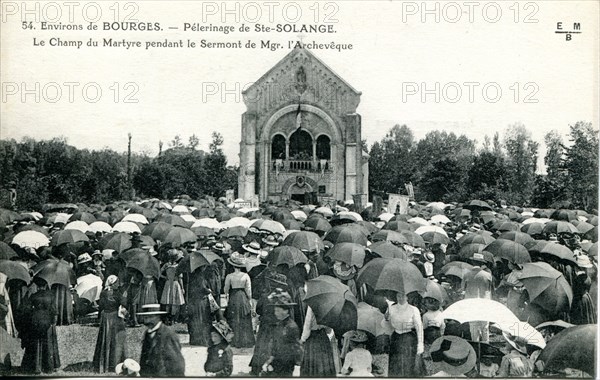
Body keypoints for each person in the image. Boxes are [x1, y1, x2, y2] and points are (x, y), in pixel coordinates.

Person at [19, 277, 61, 374]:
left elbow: (27, 310)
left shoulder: (33, 296)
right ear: (46, 285)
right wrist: (53, 322)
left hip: (36, 321)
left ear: (37, 286)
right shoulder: (51, 296)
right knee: (48, 344)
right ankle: (49, 366)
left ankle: (36, 366)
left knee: (35, 344)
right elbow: (54, 311)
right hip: (47, 322)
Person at [261, 288, 303, 377]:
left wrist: (296, 364)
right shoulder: (279, 324)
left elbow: (295, 347)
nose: (276, 313)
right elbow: (275, 344)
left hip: (286, 363)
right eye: (275, 311)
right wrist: (269, 361)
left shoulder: (292, 326)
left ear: (286, 311)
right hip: (276, 362)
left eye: (278, 311)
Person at [382, 291, 424, 377]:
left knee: (407, 363)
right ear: (396, 297)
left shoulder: (413, 309)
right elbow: (386, 326)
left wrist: (420, 344)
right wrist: (386, 319)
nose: (401, 298)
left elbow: (419, 327)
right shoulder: (392, 308)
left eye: (403, 296)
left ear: (407, 297)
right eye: (398, 296)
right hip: (396, 337)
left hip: (408, 338)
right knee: (395, 363)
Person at [138, 303, 185, 377]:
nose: (146, 320)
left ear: (157, 317)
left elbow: (177, 364)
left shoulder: (168, 334)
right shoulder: (147, 334)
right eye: (145, 317)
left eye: (149, 317)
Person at [93, 275, 127, 373]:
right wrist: (124, 296)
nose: (118, 284)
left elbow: (101, 306)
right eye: (117, 283)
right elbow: (123, 304)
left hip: (106, 318)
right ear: (113, 283)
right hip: (115, 318)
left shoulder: (104, 292)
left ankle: (104, 363)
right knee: (116, 340)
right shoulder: (118, 293)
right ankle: (115, 362)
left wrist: (99, 316)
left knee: (106, 340)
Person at [224, 252, 255, 348]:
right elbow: (248, 290)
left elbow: (226, 289)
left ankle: (234, 339)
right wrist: (249, 299)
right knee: (243, 317)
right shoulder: (245, 276)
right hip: (243, 296)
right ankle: (245, 339)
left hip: (233, 296)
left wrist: (227, 298)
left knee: (234, 317)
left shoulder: (229, 276)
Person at [299, 305, 337, 377]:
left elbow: (308, 324)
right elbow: (329, 329)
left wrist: (302, 339)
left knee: (312, 366)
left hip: (313, 338)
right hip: (323, 337)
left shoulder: (312, 304)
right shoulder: (329, 305)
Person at [160, 249, 185, 325]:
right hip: (175, 283)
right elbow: (180, 278)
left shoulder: (166, 265)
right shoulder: (178, 266)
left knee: (168, 301)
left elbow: (159, 273)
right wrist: (182, 287)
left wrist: (165, 278)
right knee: (174, 302)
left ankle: (167, 318)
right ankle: (173, 318)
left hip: (168, 283)